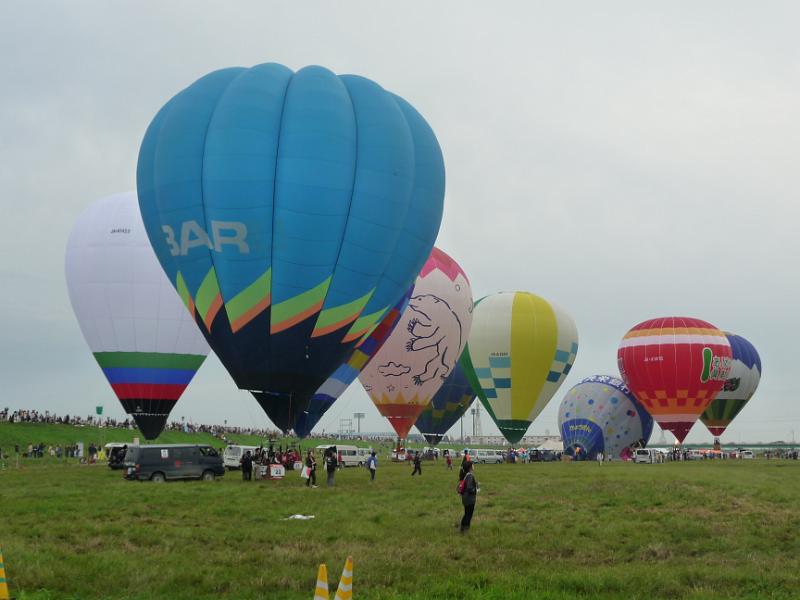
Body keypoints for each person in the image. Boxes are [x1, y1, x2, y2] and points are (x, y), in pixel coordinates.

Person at [459, 461, 478, 533]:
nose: (474, 466)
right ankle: (465, 530)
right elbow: (470, 488)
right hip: (469, 498)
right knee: (469, 515)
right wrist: (476, 489)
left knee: (466, 513)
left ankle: (462, 528)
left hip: (465, 498)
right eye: (473, 465)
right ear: (470, 467)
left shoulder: (466, 475)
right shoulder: (470, 475)